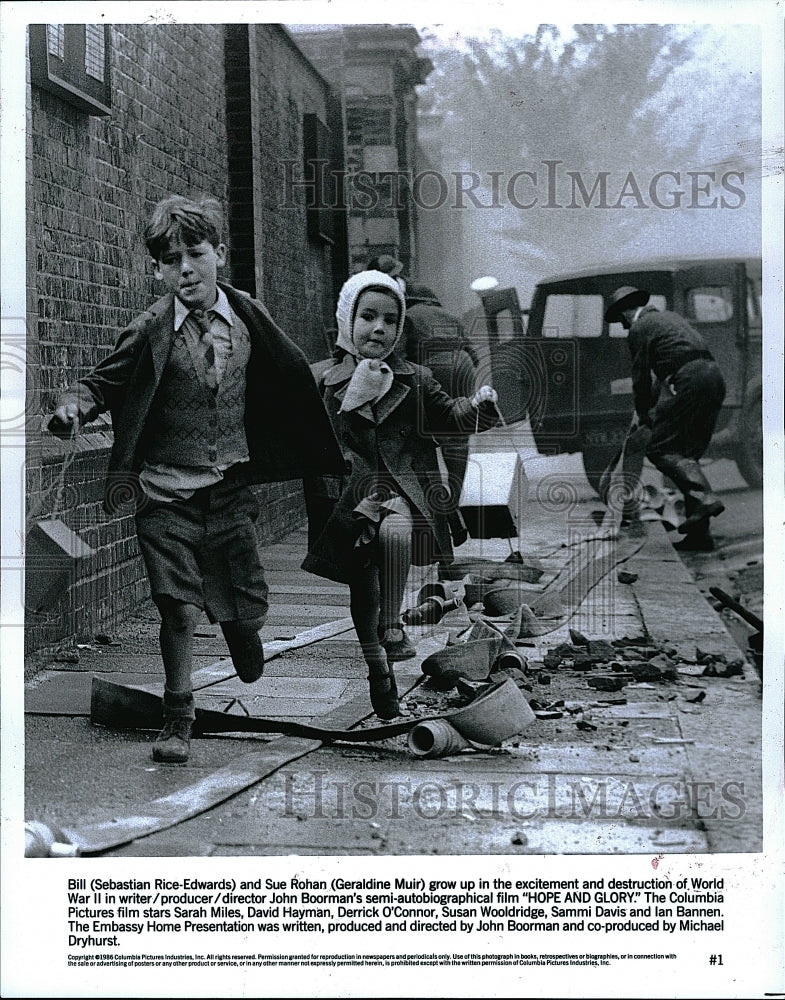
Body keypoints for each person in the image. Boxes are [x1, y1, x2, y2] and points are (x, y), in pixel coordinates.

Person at [48, 194, 344, 763]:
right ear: (156, 269)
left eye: (195, 254)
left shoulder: (249, 318)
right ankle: (176, 718)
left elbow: (286, 379)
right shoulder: (149, 330)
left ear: (219, 255)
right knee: (177, 607)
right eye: (169, 259)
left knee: (244, 597)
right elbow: (99, 386)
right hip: (162, 493)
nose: (184, 268)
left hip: (229, 485)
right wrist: (72, 408)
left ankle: (239, 624)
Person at [302, 270, 498, 719]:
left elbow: (450, 417)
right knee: (361, 591)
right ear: (346, 318)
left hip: (401, 489)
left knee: (394, 531)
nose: (378, 328)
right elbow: (300, 438)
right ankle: (379, 672)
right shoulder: (322, 380)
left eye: (390, 320)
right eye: (367, 316)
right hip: (346, 499)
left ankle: (392, 625)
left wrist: (479, 404)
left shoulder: (415, 377)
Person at [604, 286, 727, 551]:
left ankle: (705, 498)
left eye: (621, 319)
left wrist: (645, 415)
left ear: (627, 311)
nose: (623, 326)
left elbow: (641, 377)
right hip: (713, 378)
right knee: (687, 454)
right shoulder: (669, 319)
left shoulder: (640, 328)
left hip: (691, 380)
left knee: (661, 449)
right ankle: (699, 537)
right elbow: (664, 373)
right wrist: (651, 409)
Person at [404, 282, 481, 548]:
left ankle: (441, 507)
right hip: (463, 366)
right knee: (458, 436)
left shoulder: (407, 316)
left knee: (424, 440)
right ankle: (455, 499)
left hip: (431, 369)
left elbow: (400, 357)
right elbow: (476, 356)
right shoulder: (450, 316)